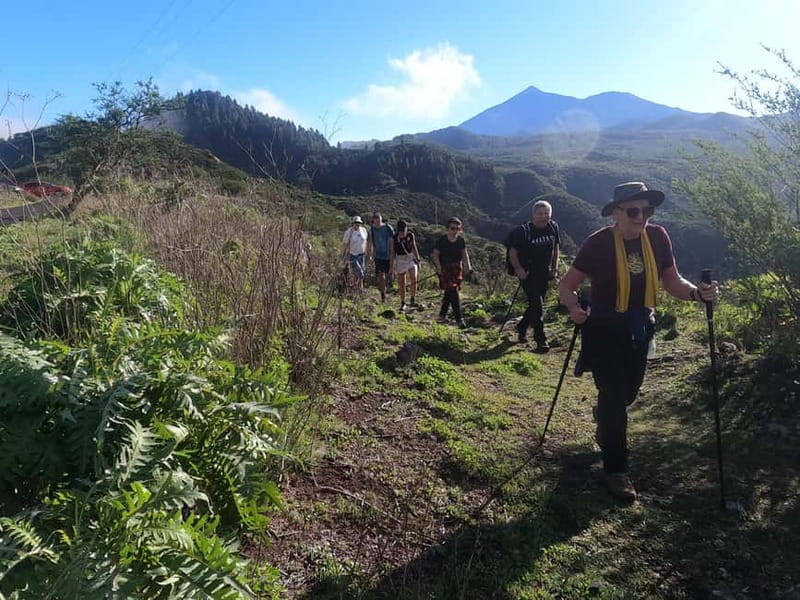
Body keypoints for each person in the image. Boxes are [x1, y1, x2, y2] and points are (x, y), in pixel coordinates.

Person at [558, 182, 719, 502]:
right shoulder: (598, 243)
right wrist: (574, 308)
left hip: (640, 328)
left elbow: (672, 280)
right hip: (603, 329)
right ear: (616, 213)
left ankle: (605, 419)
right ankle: (616, 470)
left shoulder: (658, 237)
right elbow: (567, 286)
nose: (641, 216)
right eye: (633, 210)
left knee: (627, 394)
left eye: (647, 210)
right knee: (615, 396)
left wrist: (696, 294)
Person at [507, 199, 561, 352]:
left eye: (546, 213)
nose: (543, 216)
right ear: (533, 214)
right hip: (527, 272)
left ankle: (522, 326)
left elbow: (556, 248)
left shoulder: (553, 227)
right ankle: (540, 340)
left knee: (536, 304)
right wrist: (518, 269)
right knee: (537, 305)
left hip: (543, 272)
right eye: (539, 213)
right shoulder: (523, 231)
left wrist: (554, 268)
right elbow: (513, 252)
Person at [433, 217, 472, 328]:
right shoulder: (442, 240)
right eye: (452, 228)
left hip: (456, 269)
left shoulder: (461, 241)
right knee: (453, 291)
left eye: (457, 228)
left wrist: (468, 267)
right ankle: (459, 319)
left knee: (449, 291)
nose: (455, 231)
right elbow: (435, 254)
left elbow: (464, 254)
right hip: (445, 268)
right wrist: (439, 268)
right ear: (448, 228)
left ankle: (441, 315)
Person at [390, 219, 421, 311]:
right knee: (402, 282)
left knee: (414, 278)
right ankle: (403, 302)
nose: (402, 233)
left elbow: (414, 247)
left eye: (404, 231)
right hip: (400, 258)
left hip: (410, 257)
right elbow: (392, 252)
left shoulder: (411, 235)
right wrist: (392, 267)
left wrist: (418, 259)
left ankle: (412, 299)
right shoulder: (394, 238)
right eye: (401, 231)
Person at [366, 212, 394, 302]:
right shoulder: (372, 230)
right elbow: (370, 243)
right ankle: (383, 296)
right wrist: (369, 255)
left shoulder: (388, 228)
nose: (377, 220)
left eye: (378, 218)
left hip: (388, 255)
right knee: (381, 276)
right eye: (375, 218)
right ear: (373, 220)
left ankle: (385, 289)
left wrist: (392, 255)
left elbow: (392, 242)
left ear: (381, 218)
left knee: (387, 275)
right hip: (378, 256)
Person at [342, 215, 368, 292]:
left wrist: (366, 251)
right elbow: (345, 244)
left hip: (361, 255)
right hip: (353, 255)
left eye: (359, 223)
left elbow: (365, 241)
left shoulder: (363, 230)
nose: (357, 224)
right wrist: (344, 255)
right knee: (360, 272)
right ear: (353, 223)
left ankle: (359, 289)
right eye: (356, 223)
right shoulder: (349, 232)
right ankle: (355, 287)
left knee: (358, 272)